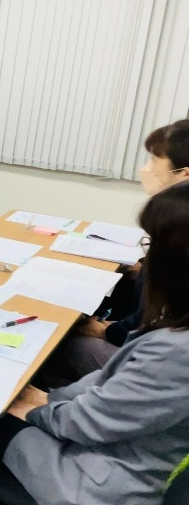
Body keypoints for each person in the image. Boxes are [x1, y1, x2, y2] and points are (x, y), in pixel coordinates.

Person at [0, 181, 189, 505]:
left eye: (152, 245)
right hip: (125, 450)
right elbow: (109, 391)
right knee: (10, 396)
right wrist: (47, 399)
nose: (146, 261)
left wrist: (37, 408)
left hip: (110, 488)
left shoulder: (175, 353)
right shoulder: (176, 331)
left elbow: (89, 422)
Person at [40, 121, 189, 387]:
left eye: (155, 160)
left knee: (53, 346)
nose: (147, 169)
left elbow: (158, 317)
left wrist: (105, 331)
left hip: (155, 359)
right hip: (150, 336)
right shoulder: (177, 218)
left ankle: (55, 400)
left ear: (184, 174)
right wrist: (137, 270)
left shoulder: (180, 226)